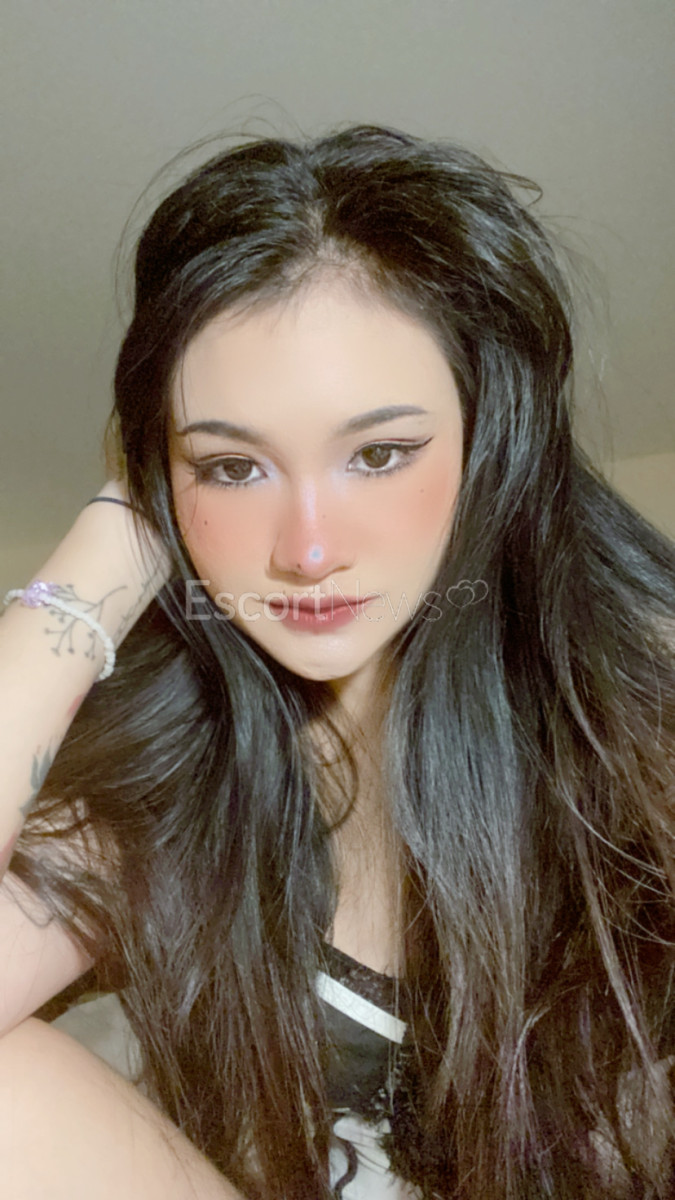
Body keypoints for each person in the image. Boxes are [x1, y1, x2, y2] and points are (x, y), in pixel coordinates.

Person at [1, 124, 674, 1200]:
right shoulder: (168, 799)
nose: (307, 551)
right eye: (233, 467)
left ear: (489, 447)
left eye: (379, 454)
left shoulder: (639, 740)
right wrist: (105, 554)